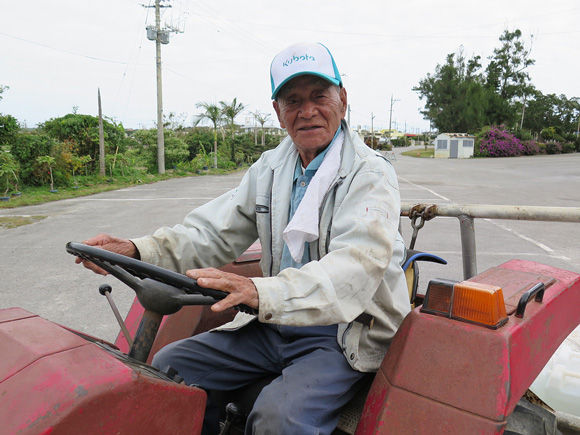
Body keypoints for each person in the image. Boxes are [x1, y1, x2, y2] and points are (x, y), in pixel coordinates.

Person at [77, 42, 410, 435]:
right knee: (170, 368)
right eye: (293, 100)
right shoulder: (270, 168)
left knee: (279, 419)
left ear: (343, 99)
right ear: (277, 111)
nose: (307, 111)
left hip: (340, 331)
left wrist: (260, 292)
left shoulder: (370, 174)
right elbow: (213, 231)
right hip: (274, 323)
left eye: (320, 96)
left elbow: (355, 266)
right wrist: (138, 249)